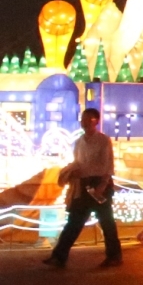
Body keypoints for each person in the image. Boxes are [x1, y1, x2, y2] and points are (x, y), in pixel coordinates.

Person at [44, 106, 119, 269]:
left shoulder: (103, 140)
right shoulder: (79, 142)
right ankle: (59, 256)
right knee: (74, 221)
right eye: (83, 119)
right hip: (84, 184)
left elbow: (108, 164)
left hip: (100, 184)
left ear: (96, 121)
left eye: (88, 119)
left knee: (106, 221)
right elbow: (79, 162)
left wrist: (103, 185)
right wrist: (71, 173)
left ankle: (114, 256)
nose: (84, 123)